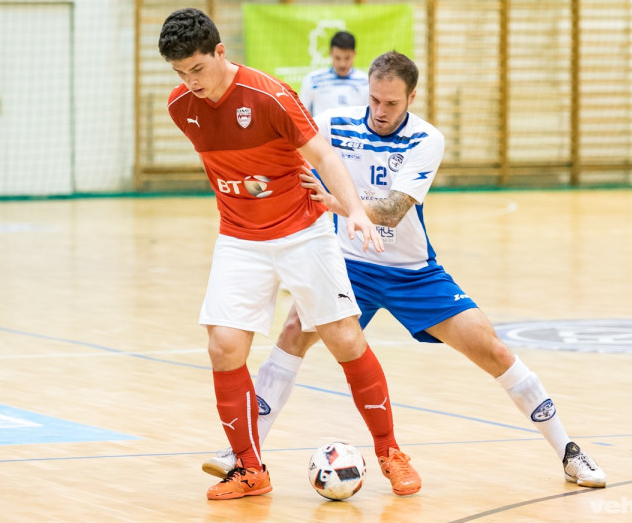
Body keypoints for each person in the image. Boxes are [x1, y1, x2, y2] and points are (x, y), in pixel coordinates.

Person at [202, 51, 607, 489]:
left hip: (412, 273)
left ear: (412, 97)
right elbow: (290, 153)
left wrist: (338, 203)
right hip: (350, 266)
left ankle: (569, 452)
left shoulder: (425, 139)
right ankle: (244, 454)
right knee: (292, 334)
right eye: (374, 99)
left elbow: (394, 211)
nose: (380, 111)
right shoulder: (334, 124)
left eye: (391, 103)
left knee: (493, 350)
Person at [158, 9, 422, 500]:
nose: (190, 82)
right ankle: (249, 469)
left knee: (345, 339)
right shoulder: (180, 107)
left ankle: (390, 452)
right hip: (240, 238)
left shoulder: (270, 95)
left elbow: (323, 155)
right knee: (223, 346)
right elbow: (228, 165)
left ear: (220, 52)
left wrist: (355, 211)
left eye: (197, 68)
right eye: (180, 73)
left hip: (302, 232)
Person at [298, 30, 368, 116]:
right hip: (321, 125)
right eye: (337, 58)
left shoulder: (366, 81)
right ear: (330, 53)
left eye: (347, 58)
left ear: (354, 54)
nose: (342, 64)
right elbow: (301, 114)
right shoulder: (313, 80)